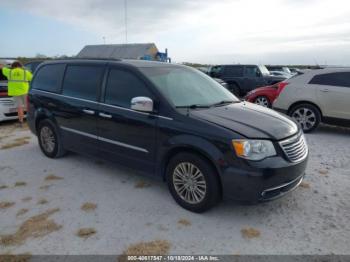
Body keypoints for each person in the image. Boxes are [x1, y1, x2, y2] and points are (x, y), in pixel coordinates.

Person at [0, 61, 32, 126]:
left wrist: (2, 64)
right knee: (28, 107)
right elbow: (32, 78)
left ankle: (21, 122)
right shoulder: (25, 72)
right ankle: (31, 121)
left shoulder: (9, 72)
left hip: (15, 93)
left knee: (19, 108)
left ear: (13, 66)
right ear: (20, 66)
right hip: (25, 92)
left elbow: (2, 67)